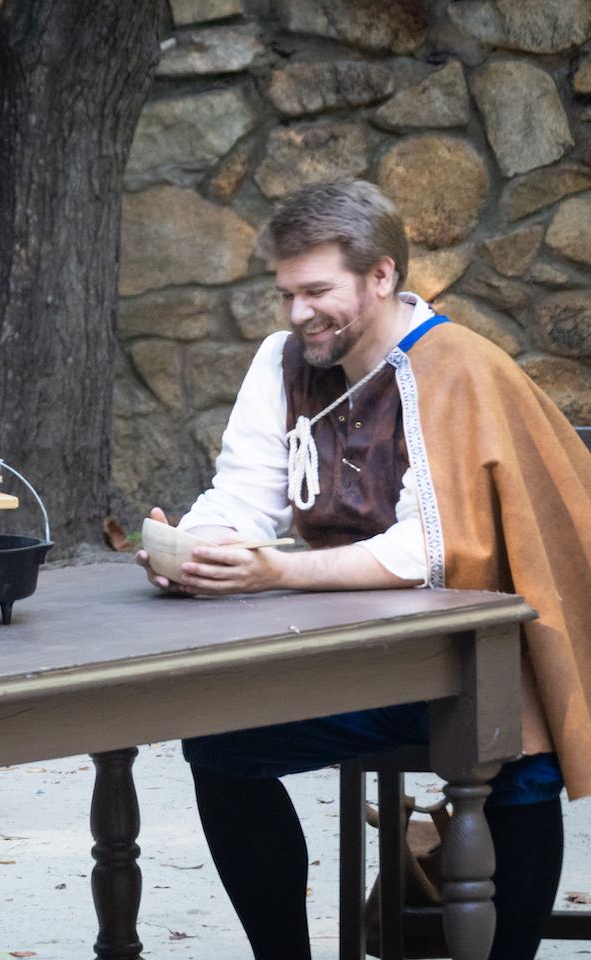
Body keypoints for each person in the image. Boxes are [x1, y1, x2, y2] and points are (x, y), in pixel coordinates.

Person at [137, 179, 591, 960]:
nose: (297, 313)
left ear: (381, 275)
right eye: (286, 293)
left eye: (317, 292)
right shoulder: (285, 361)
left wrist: (276, 575)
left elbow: (429, 549)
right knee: (219, 742)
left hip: (469, 663)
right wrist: (200, 548)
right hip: (352, 662)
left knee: (518, 757)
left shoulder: (456, 369)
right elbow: (243, 493)